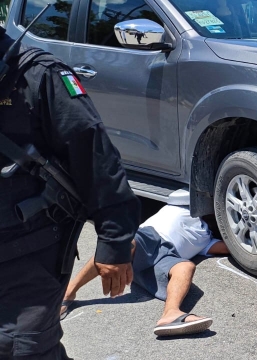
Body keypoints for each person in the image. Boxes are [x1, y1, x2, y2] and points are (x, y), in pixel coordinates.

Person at [0, 26, 140, 358]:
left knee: (24, 348)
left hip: (30, 250)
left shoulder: (39, 74)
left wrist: (115, 241)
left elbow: (96, 155)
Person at [60, 190, 230, 337]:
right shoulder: (185, 204)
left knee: (186, 266)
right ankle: (68, 292)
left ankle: (170, 315)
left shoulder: (207, 238)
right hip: (151, 237)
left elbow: (233, 247)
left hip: (165, 258)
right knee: (126, 243)